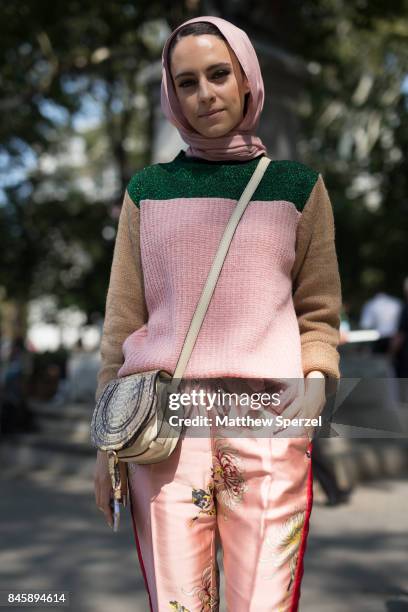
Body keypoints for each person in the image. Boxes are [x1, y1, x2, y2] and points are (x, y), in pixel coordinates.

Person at [93, 16, 342, 611]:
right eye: (185, 82)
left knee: (263, 602)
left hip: (268, 421)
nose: (204, 94)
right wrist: (104, 451)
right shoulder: (146, 191)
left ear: (246, 79)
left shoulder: (298, 187)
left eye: (218, 74)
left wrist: (315, 381)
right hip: (166, 428)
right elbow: (121, 325)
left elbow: (319, 309)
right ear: (170, 95)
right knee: (179, 603)